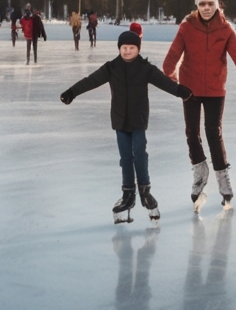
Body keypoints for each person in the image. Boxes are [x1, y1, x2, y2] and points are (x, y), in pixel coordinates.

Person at [61, 30, 193, 223]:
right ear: (119, 48)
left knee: (139, 154)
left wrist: (179, 90)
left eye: (132, 48)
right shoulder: (111, 67)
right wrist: (72, 92)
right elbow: (91, 80)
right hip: (120, 120)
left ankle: (145, 192)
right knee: (125, 158)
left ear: (138, 49)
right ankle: (128, 194)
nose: (128, 51)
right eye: (124, 48)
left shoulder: (145, 68)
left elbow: (163, 82)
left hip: (138, 120)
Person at [163, 0, 236, 212]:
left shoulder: (225, 29)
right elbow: (171, 58)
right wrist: (173, 82)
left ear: (217, 4)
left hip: (215, 90)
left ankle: (223, 180)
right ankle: (199, 170)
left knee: (213, 133)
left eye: (210, 4)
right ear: (197, 4)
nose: (206, 8)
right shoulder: (187, 27)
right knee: (192, 134)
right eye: (202, 4)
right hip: (190, 89)